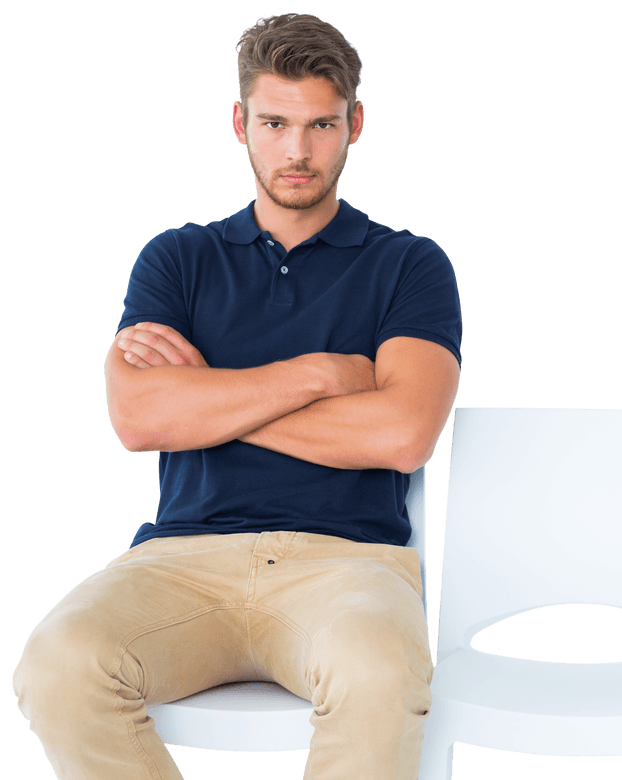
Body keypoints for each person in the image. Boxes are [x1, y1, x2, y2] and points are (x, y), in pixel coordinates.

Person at [12, 13, 461, 780]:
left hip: (348, 566)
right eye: (275, 122)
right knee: (55, 666)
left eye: (320, 124)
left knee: (380, 674)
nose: (297, 150)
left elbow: (401, 436)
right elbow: (140, 418)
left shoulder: (409, 265)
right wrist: (320, 373)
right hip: (179, 563)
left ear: (355, 123)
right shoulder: (177, 259)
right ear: (239, 124)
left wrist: (209, 400)